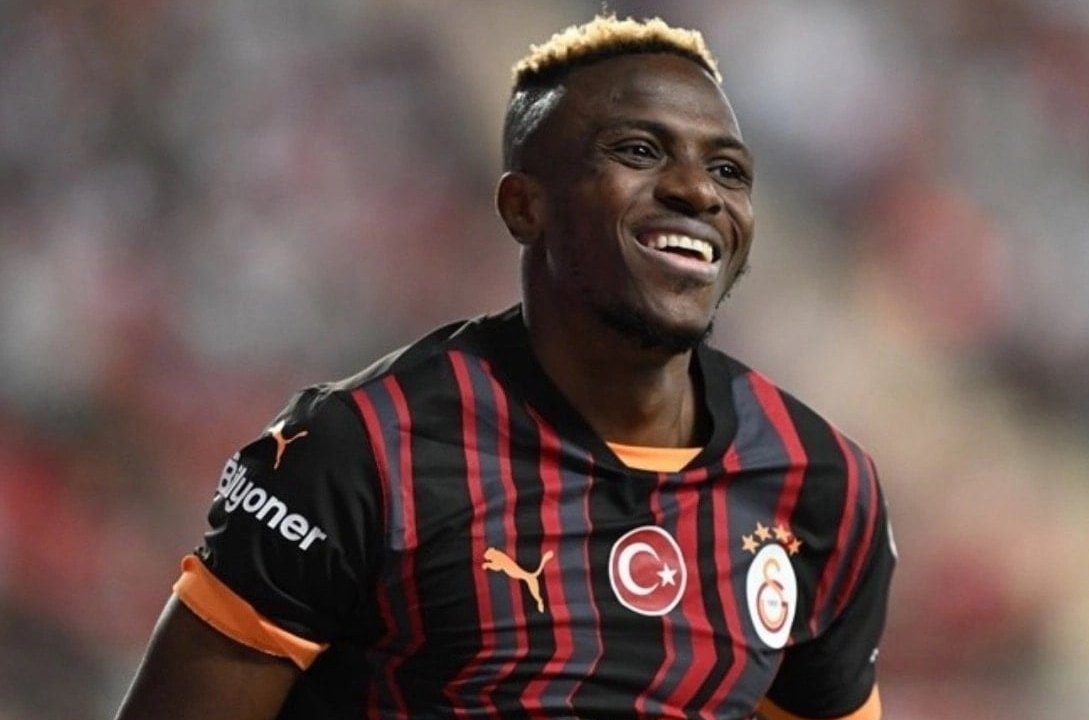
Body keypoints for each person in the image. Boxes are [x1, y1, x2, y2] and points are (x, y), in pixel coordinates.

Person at [115, 14, 895, 720]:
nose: (697, 190)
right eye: (638, 151)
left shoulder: (820, 486)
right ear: (525, 206)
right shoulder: (362, 452)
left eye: (728, 170)